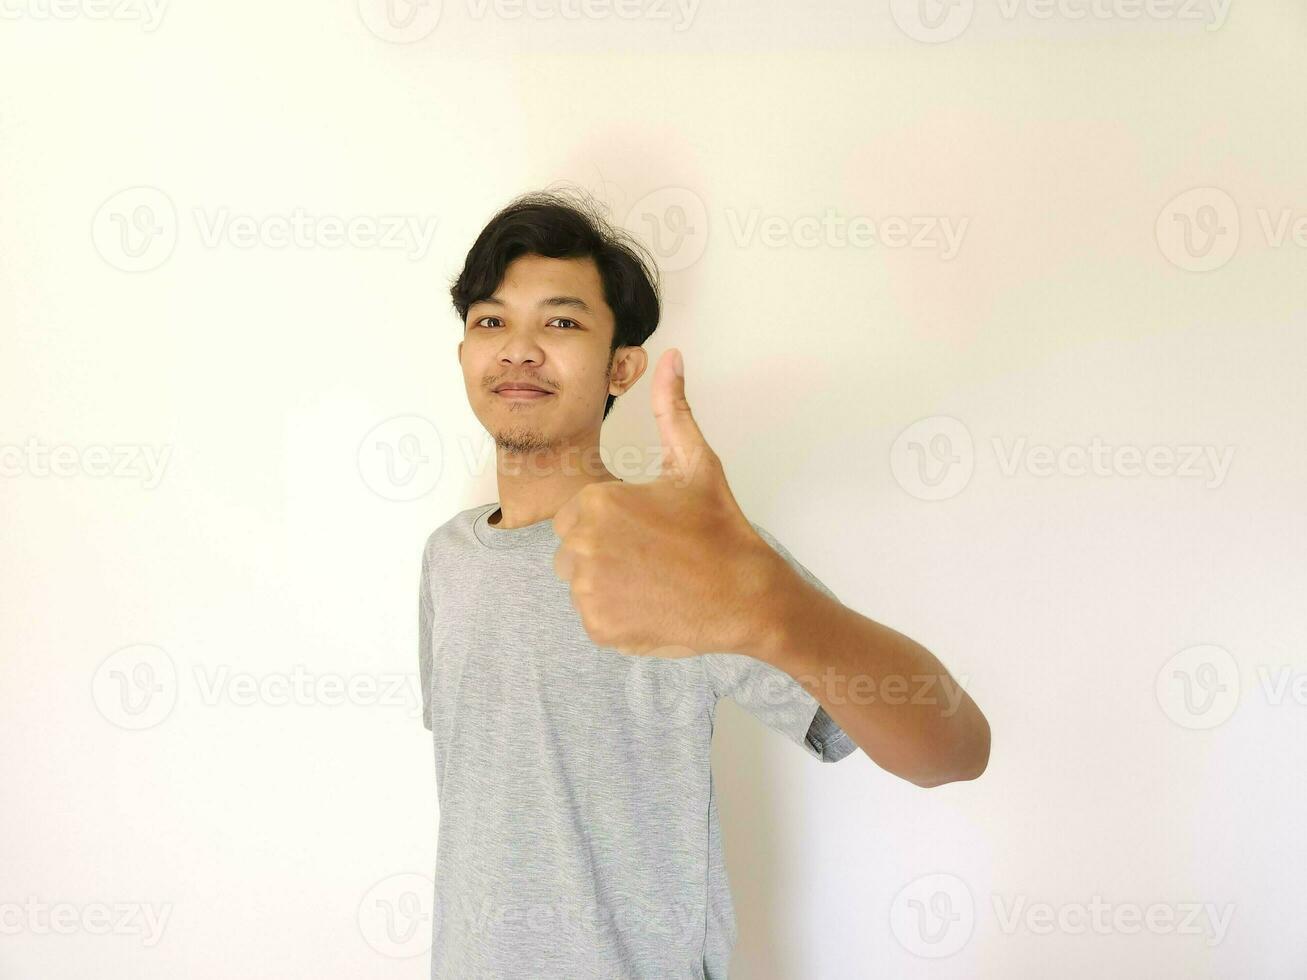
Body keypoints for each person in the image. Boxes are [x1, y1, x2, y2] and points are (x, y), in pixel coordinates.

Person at [418, 188, 990, 978]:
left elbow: (952, 750)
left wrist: (769, 607)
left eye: (560, 321)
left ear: (622, 364)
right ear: (463, 354)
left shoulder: (682, 553)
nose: (517, 349)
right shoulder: (447, 558)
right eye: (490, 321)